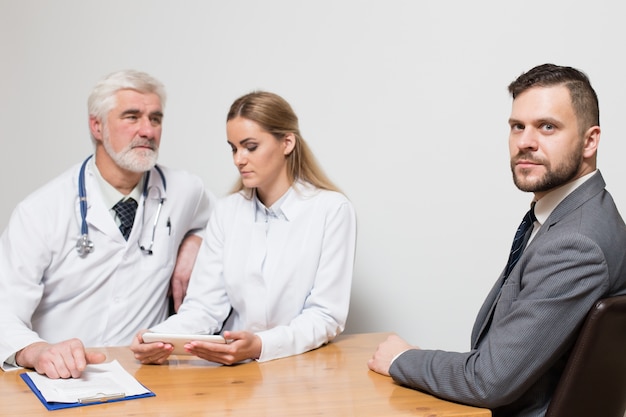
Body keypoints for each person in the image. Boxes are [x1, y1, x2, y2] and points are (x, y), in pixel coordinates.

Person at [368, 63, 626, 416]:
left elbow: (490, 380)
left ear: (590, 140)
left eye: (547, 127)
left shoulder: (577, 243)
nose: (525, 142)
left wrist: (403, 359)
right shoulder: (568, 215)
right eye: (517, 127)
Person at [0, 70, 214, 379]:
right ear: (97, 126)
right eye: (132, 117)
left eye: (155, 119)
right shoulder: (40, 211)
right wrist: (37, 351)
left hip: (147, 377)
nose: (147, 131)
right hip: (61, 377)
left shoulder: (185, 190)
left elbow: (221, 228)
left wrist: (196, 241)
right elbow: (4, 309)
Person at [130, 91, 357, 365]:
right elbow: (204, 307)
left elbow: (325, 316)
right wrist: (155, 338)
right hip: (237, 372)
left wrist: (261, 345)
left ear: (287, 142)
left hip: (303, 367)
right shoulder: (226, 212)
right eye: (233, 148)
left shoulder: (332, 210)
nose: (239, 159)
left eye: (250, 147)